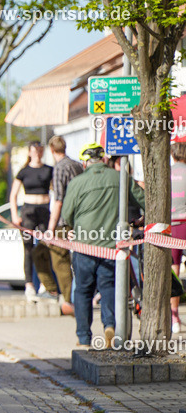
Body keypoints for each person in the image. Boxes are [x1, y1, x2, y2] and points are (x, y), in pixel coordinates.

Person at [63, 142, 145, 347]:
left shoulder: (77, 182)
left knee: (82, 290)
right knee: (108, 286)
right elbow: (144, 200)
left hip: (84, 246)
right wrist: (140, 220)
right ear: (105, 159)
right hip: (111, 247)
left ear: (85, 162)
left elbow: (66, 216)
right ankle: (110, 325)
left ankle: (83, 337)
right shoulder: (120, 178)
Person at [10, 141, 58, 302]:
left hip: (44, 209)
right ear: (29, 152)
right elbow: (13, 195)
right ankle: (29, 284)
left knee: (46, 247)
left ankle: (46, 284)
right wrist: (14, 216)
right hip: (28, 211)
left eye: (39, 150)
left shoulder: (48, 170)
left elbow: (57, 190)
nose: (37, 153)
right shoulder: (24, 171)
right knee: (28, 249)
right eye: (34, 150)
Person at [45, 136, 82, 315]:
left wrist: (50, 230)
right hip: (79, 218)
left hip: (63, 221)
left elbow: (58, 200)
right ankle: (65, 295)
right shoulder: (76, 165)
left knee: (60, 261)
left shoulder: (59, 168)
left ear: (52, 150)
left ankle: (67, 301)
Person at [169, 143, 186, 332]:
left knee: (174, 269)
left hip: (169, 224)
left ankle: (174, 316)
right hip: (185, 222)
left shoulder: (166, 173)